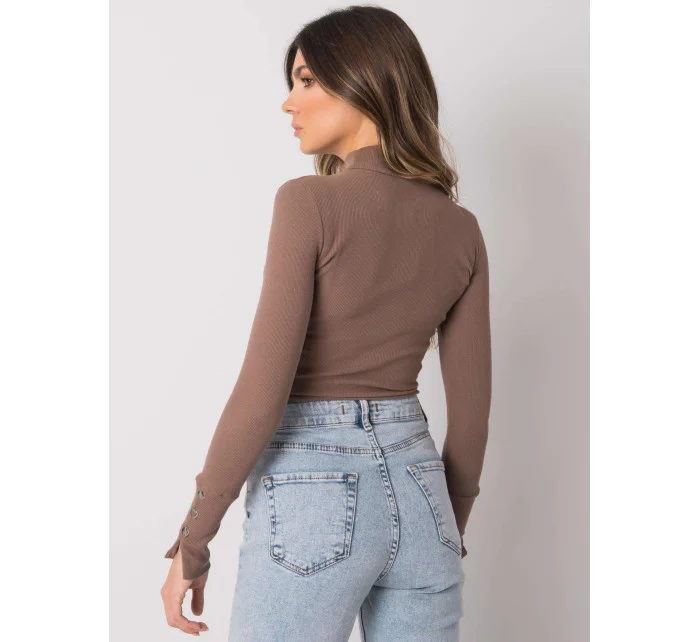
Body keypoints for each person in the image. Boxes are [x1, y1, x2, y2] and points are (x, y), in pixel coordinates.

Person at [160, 6, 492, 640]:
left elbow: (262, 392)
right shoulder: (462, 229)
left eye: (307, 80)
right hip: (425, 493)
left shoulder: (307, 202)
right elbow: (472, 418)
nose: (289, 102)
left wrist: (193, 539)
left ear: (364, 78)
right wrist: (444, 530)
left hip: (313, 488)